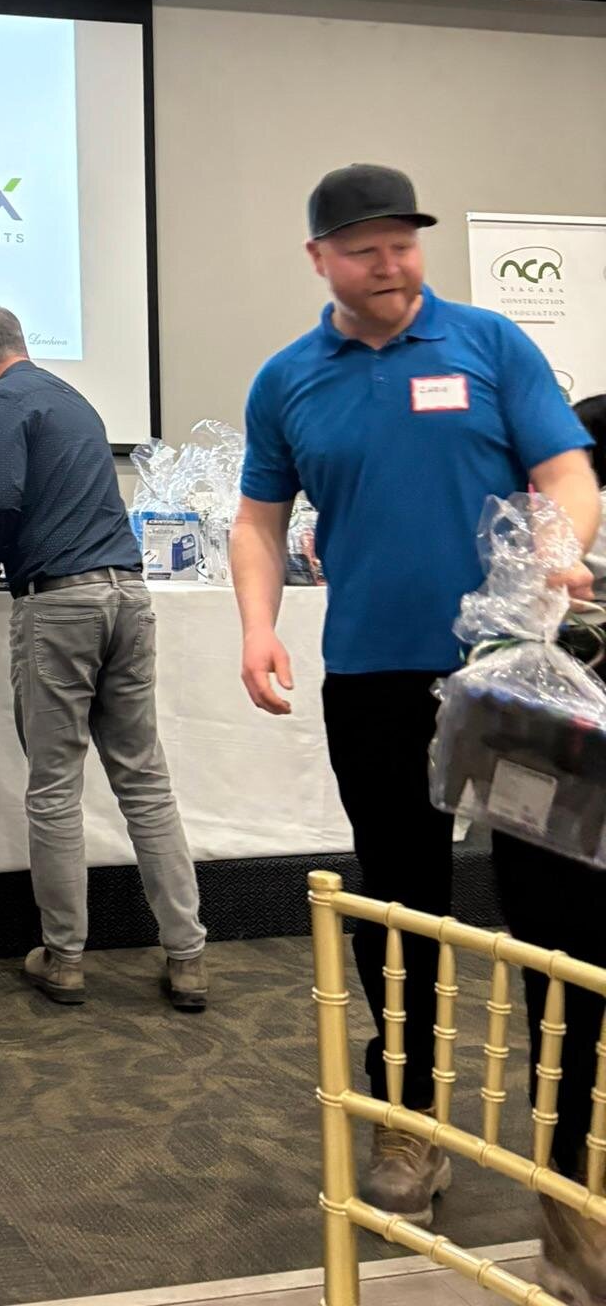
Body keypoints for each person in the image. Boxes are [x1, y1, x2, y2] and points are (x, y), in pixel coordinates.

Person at [232, 165, 597, 1227]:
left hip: (517, 678)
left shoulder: (489, 344)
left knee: (556, 912)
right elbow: (259, 519)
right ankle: (409, 1121)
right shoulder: (288, 379)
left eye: (403, 244)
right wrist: (255, 624)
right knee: (400, 907)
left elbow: (568, 471)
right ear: (319, 259)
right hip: (375, 682)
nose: (389, 266)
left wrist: (561, 543)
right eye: (364, 250)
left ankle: (574, 1151)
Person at [0, 303, 208, 1012]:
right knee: (146, 782)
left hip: (61, 604)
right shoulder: (73, 399)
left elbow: (2, 499)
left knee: (55, 788)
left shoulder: (0, 399)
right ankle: (188, 956)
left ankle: (64, 959)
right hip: (128, 595)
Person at [489, 392, 606, 1304]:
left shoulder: (553, 447)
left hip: (545, 770)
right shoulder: (570, 443)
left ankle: (570, 1207)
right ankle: (571, 1208)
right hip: (562, 769)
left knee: (559, 996)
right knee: (564, 990)